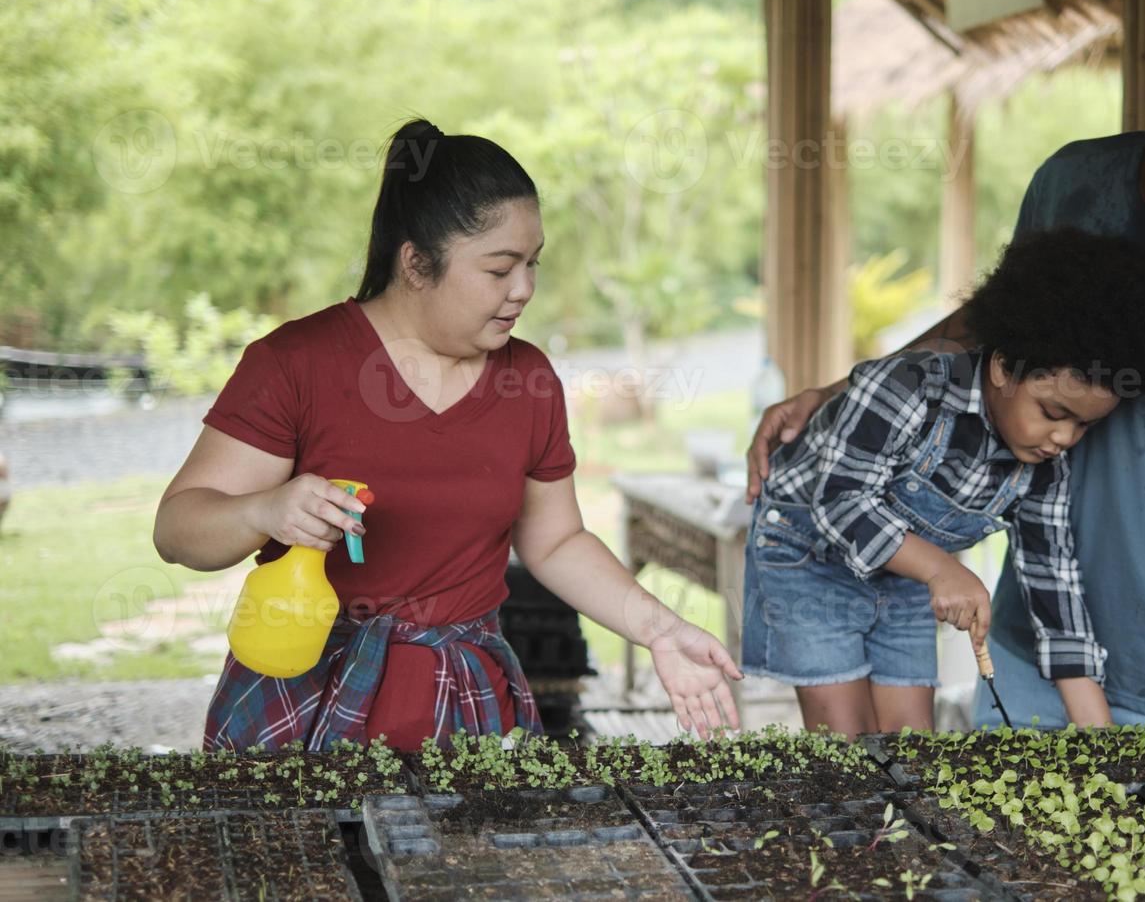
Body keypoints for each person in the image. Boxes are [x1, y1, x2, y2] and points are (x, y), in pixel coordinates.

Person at [747, 33, 1145, 768]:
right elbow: (992, 327)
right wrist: (844, 394)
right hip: (1016, 644)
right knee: (911, 796)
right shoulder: (1073, 183)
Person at [154, 119, 741, 751]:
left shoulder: (529, 379)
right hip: (304, 692)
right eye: (499, 269)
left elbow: (557, 540)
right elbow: (178, 530)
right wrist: (265, 508)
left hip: (460, 699)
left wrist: (660, 628)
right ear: (415, 262)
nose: (524, 289)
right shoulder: (298, 363)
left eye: (533, 264)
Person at [742, 229, 1145, 739]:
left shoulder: (1044, 467)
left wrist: (1101, 737)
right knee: (845, 746)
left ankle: (891, 824)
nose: (1064, 437)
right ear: (1003, 367)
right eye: (1053, 412)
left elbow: (1054, 587)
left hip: (903, 573)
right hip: (810, 557)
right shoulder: (905, 387)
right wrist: (940, 569)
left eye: (1085, 425)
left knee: (907, 746)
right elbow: (840, 502)